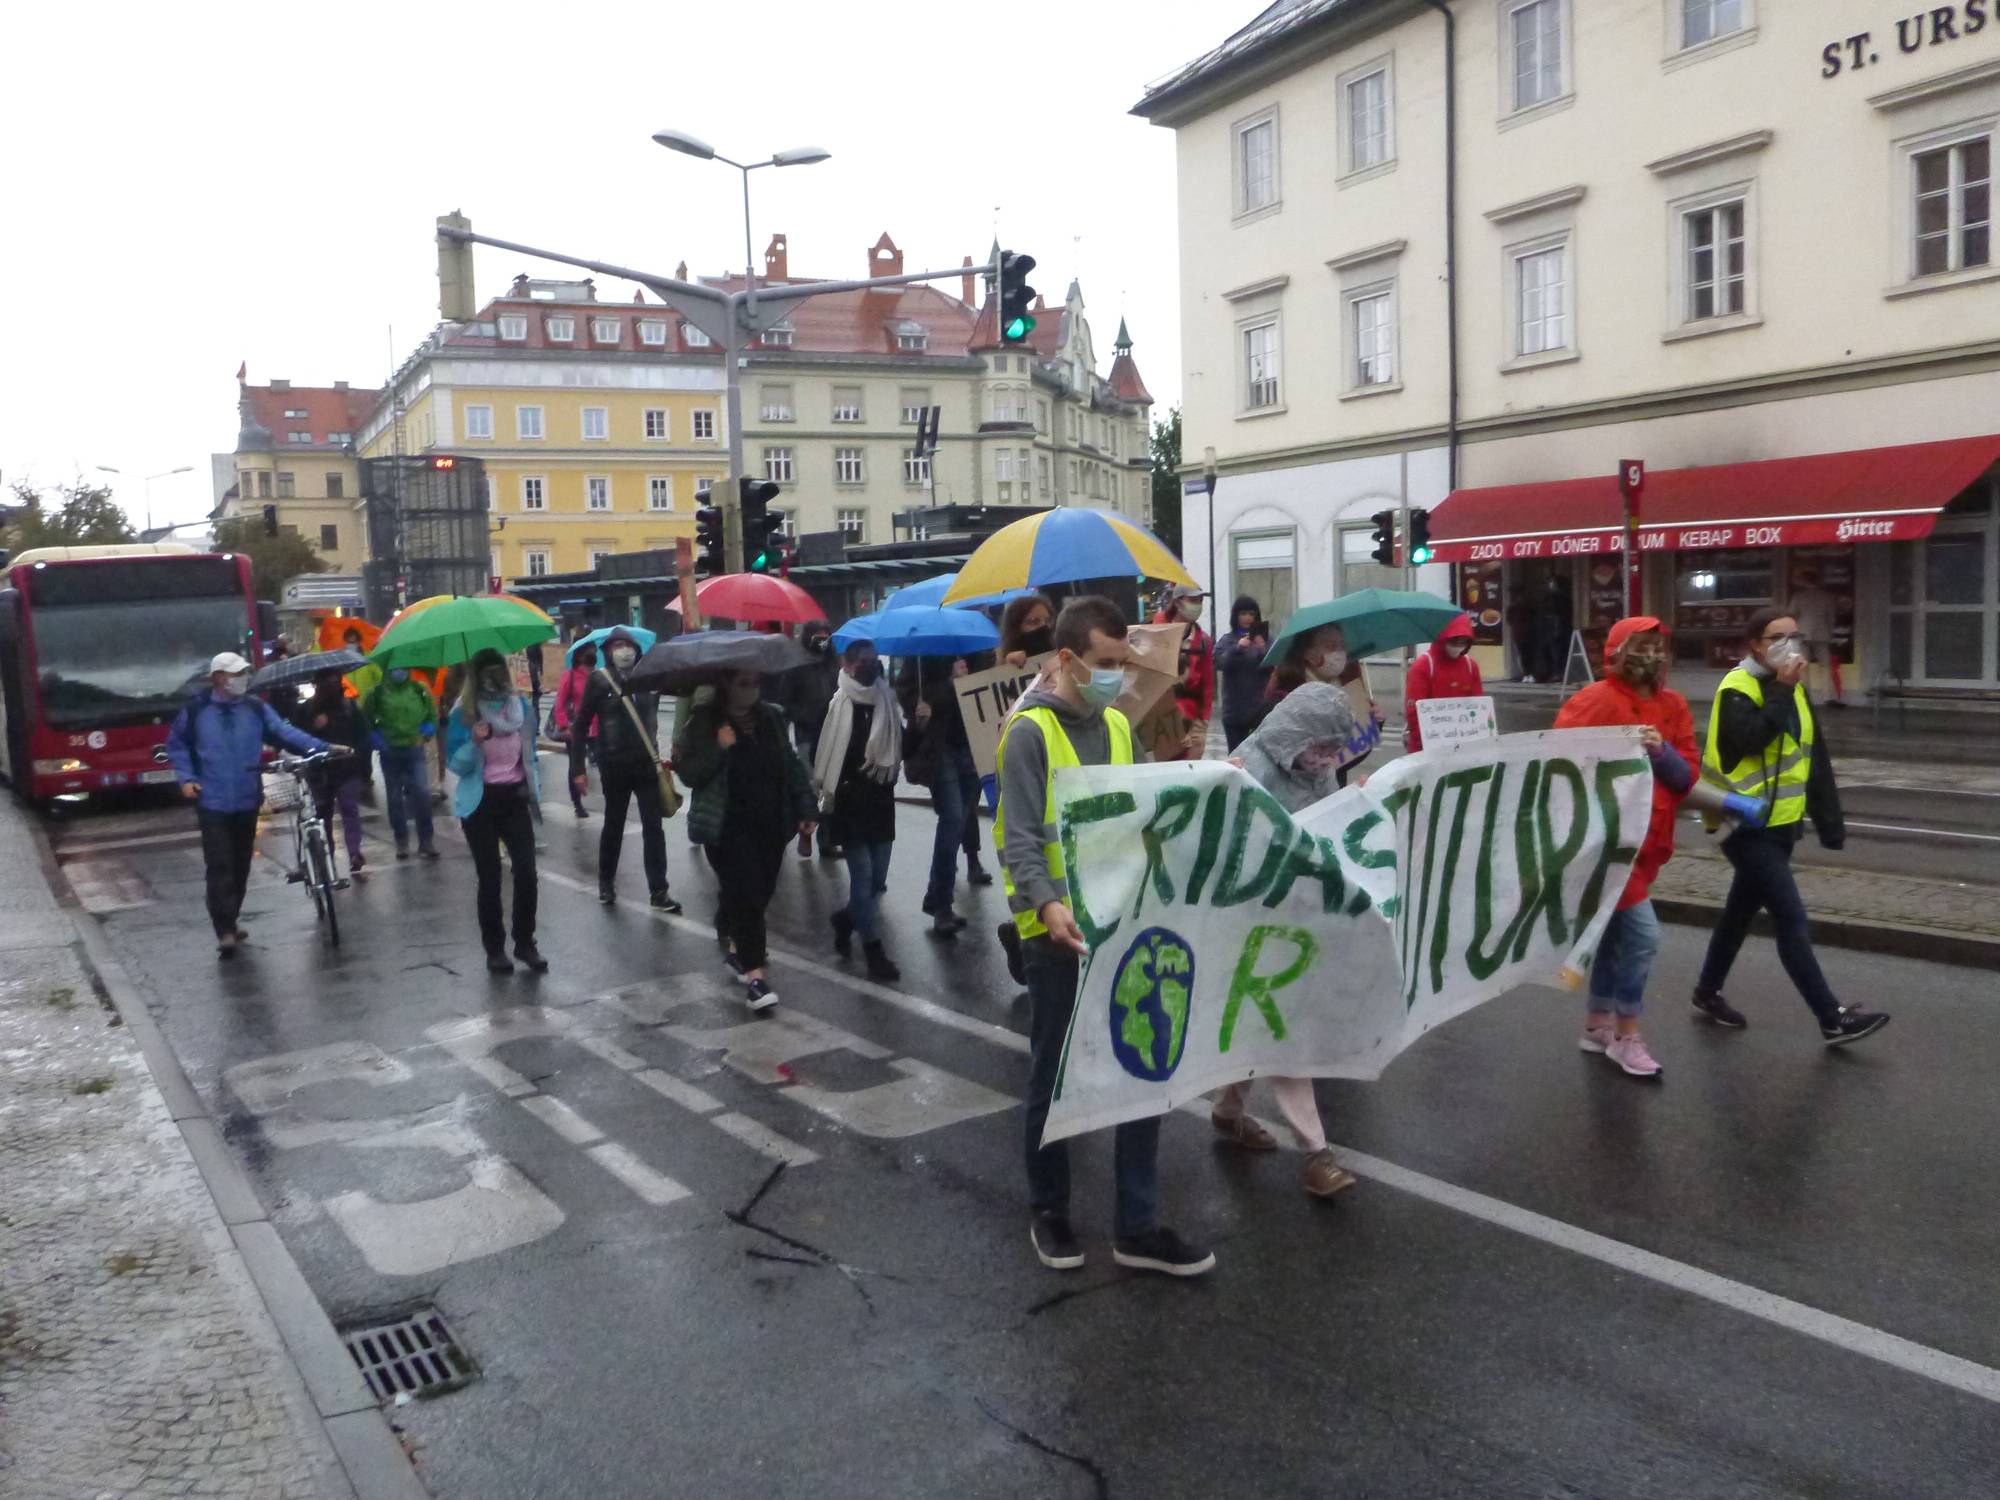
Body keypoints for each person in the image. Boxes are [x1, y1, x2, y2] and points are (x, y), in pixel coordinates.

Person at [998, 595, 1214, 1278]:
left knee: (1142, 1064)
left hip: (1123, 925)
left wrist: (1198, 774)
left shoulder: (1120, 727)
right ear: (1066, 659)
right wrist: (1047, 903)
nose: (1116, 677)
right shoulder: (1029, 733)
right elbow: (1022, 838)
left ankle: (1137, 1224)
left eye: (1122, 664)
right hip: (1055, 933)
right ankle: (1051, 1210)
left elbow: (1143, 812)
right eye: (1104, 663)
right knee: (1054, 1071)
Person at [1690, 609, 1889, 1045]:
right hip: (1740, 825)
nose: (1789, 643)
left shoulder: (1795, 691)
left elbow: (1813, 758)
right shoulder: (1736, 688)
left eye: (1794, 635)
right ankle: (1831, 1017)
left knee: (1739, 912)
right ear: (1755, 645)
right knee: (1790, 918)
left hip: (1781, 826)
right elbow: (1748, 740)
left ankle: (1706, 991)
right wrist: (1781, 687)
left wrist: (1830, 823)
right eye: (1777, 636)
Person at [1211, 680, 1365, 1194]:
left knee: (1257, 1026)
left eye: (1333, 750)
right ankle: (1316, 1153)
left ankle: (1228, 1111)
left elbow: (1323, 834)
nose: (1325, 759)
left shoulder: (1315, 771)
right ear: (1293, 735)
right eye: (1319, 748)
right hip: (1249, 923)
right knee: (1285, 1032)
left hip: (1294, 922)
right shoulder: (1246, 771)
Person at [1552, 618, 1702, 1079]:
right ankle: (1626, 1035)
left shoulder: (1673, 705)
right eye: (1641, 646)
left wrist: (1662, 754)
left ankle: (1597, 1023)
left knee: (1617, 937)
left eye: (1658, 646)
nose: (1652, 655)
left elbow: (1688, 776)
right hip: (1606, 845)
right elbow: (1557, 766)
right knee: (1642, 937)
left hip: (1649, 844)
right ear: (1616, 653)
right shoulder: (1595, 701)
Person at [166, 652, 340, 959]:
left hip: (247, 797)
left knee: (240, 863)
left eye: (244, 673)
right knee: (219, 863)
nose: (242, 678)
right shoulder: (197, 711)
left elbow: (285, 733)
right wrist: (187, 778)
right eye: (236, 674)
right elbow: (177, 745)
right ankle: (224, 931)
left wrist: (324, 747)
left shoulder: (255, 708)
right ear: (218, 677)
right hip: (212, 799)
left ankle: (231, 918)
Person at [675, 669, 818, 1011]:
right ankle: (756, 978)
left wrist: (807, 807)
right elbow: (690, 774)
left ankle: (734, 937)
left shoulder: (772, 716)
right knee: (749, 895)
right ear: (725, 684)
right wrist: (720, 748)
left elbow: (791, 764)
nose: (752, 689)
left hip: (770, 822)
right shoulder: (704, 722)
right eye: (743, 683)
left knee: (761, 890)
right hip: (727, 826)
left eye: (755, 682)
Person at [446, 650, 547, 975]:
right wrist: (474, 741)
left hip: (514, 798)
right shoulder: (464, 713)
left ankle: (525, 942)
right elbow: (456, 765)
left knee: (527, 872)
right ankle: (495, 949)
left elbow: (529, 755)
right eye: (486, 672)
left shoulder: (521, 708)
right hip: (481, 803)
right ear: (476, 676)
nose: (495, 678)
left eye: (498, 670)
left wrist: (534, 793)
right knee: (490, 877)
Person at [568, 627, 680, 912]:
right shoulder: (599, 680)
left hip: (645, 765)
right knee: (614, 826)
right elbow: (580, 725)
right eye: (617, 645)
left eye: (627, 644)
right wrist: (578, 768)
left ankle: (659, 890)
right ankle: (606, 882)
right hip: (614, 766)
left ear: (636, 649)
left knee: (654, 828)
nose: (623, 650)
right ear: (607, 652)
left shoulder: (648, 679)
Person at [815, 641, 906, 976]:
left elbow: (900, 749)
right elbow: (828, 754)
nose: (871, 667)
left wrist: (921, 723)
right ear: (849, 665)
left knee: (877, 879)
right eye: (864, 661)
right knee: (863, 878)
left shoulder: (887, 701)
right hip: (851, 804)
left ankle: (845, 919)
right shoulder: (839, 704)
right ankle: (874, 952)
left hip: (881, 800)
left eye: (874, 660)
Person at [901, 654, 990, 935]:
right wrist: (950, 686)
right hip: (940, 751)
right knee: (951, 820)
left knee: (960, 820)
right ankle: (941, 904)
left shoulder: (977, 649)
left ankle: (936, 897)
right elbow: (909, 698)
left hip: (973, 746)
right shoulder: (922, 655)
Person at [1266, 623, 1380, 786]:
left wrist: (1373, 722)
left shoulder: (1342, 694)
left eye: (1342, 646)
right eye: (1331, 646)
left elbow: (1345, 759)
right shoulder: (1283, 698)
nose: (1339, 653)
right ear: (1307, 652)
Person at [290, 668, 369, 874]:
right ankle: (327, 855)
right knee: (322, 815)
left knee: (349, 808)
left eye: (335, 683)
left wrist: (361, 765)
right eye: (327, 684)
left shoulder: (349, 706)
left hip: (347, 769)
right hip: (319, 772)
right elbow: (295, 740)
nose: (331, 688)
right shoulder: (306, 710)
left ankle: (354, 852)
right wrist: (314, 727)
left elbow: (362, 736)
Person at [778, 622, 842, 859]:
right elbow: (785, 701)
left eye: (826, 636)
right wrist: (801, 715)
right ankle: (805, 828)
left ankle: (826, 839)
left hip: (831, 733)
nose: (822, 641)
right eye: (818, 636)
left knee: (829, 787)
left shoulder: (833, 664)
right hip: (806, 733)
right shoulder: (797, 665)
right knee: (810, 785)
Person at [363, 666, 440, 860]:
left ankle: (426, 840)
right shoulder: (377, 693)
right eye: (395, 668)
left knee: (422, 795)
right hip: (390, 752)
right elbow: (368, 722)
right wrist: (380, 742)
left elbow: (432, 714)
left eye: (403, 667)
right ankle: (401, 841)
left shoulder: (419, 689)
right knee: (395, 798)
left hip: (414, 750)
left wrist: (426, 733)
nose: (400, 671)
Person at [1403, 612, 1483, 752]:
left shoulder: (1471, 666)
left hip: (1463, 745)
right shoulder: (1423, 666)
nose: (1458, 646)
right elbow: (1414, 712)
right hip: (1426, 748)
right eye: (1453, 641)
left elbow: (1479, 707)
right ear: (1442, 639)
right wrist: (1423, 746)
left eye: (1463, 642)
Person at [1212, 596, 1274, 751]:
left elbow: (1274, 667)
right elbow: (1220, 663)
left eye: (1251, 614)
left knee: (1261, 755)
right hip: (1234, 711)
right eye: (1243, 614)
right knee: (1237, 757)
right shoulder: (1227, 640)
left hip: (1260, 710)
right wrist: (1237, 649)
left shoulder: (1266, 640)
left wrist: (1262, 651)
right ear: (1236, 616)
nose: (1247, 618)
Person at [1152, 584, 1213, 734]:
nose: (1197, 605)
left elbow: (1208, 682)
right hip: (1164, 714)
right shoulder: (1159, 630)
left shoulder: (1203, 640)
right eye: (1192, 600)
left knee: (1192, 755)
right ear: (1178, 602)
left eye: (1200, 601)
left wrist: (1204, 716)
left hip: (1193, 716)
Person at [553, 643, 598, 818]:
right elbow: (560, 703)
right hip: (575, 729)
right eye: (588, 652)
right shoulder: (570, 676)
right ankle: (577, 803)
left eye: (593, 651)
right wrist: (564, 726)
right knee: (576, 765)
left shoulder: (597, 675)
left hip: (597, 728)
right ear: (578, 656)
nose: (592, 655)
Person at [1787, 568, 1841, 707]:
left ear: (1805, 581)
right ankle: (1828, 697)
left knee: (1803, 666)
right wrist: (1829, 631)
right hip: (1822, 632)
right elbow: (1831, 617)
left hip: (1802, 632)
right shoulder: (1827, 596)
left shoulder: (1798, 596)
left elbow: (1792, 614)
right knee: (1825, 665)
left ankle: (1805, 694)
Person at [997, 594, 1056, 668]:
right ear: (1015, 628)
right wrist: (1008, 667)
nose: (1044, 626)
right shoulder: (1006, 663)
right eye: (1034, 621)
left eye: (1048, 621)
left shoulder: (1063, 653)